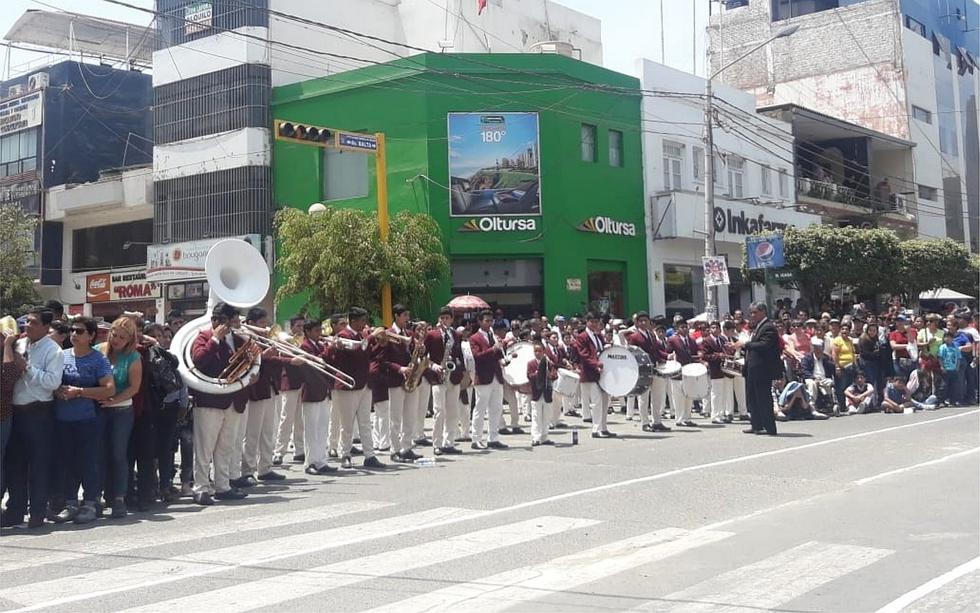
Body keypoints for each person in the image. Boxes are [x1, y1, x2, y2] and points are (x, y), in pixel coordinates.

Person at [3, 308, 64, 529]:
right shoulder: (19, 344)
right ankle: (15, 512)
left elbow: (52, 382)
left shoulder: (53, 351)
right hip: (15, 413)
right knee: (15, 465)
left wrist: (27, 368)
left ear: (47, 327)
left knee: (38, 465)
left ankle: (37, 512)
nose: (28, 326)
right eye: (27, 322)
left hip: (39, 412)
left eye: (34, 323)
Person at [51, 317, 115, 524]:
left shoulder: (98, 360)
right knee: (68, 461)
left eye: (79, 331)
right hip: (63, 419)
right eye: (72, 330)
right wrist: (58, 390)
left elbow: (109, 389)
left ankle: (90, 503)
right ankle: (70, 503)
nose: (74, 334)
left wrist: (79, 392)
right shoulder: (61, 356)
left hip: (89, 419)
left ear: (91, 335)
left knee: (90, 461)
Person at [189, 302, 251, 505]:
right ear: (215, 320)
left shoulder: (238, 339)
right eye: (226, 321)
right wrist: (215, 338)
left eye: (232, 322)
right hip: (209, 400)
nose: (230, 326)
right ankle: (200, 488)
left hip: (233, 399)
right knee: (204, 447)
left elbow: (246, 365)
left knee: (226, 446)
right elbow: (199, 360)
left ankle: (223, 485)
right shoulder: (202, 337)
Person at [237, 308, 291, 485]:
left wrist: (283, 357)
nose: (266, 326)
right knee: (252, 434)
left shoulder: (264, 338)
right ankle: (247, 470)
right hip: (255, 391)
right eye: (262, 323)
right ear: (251, 323)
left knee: (268, 431)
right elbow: (246, 361)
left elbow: (272, 362)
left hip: (269, 388)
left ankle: (265, 467)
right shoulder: (244, 337)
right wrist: (264, 356)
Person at [96, 317, 143, 518]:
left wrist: (113, 401)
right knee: (98, 455)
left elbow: (134, 387)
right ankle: (95, 497)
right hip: (99, 409)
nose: (116, 339)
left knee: (117, 454)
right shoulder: (99, 350)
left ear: (130, 340)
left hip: (121, 410)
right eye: (115, 334)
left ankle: (118, 498)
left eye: (122, 337)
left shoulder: (133, 357)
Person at [329, 307, 385, 469]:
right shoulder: (344, 336)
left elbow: (368, 354)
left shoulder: (361, 335)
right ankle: (345, 454)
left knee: (365, 422)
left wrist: (380, 344)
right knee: (347, 424)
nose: (365, 324)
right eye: (362, 320)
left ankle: (370, 455)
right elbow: (356, 351)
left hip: (364, 384)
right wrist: (371, 337)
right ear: (353, 321)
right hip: (348, 385)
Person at [736, 301, 781, 436]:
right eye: (751, 312)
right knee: (752, 398)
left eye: (755, 312)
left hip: (762, 369)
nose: (752, 315)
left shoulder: (768, 327)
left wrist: (746, 344)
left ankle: (769, 427)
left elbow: (764, 345)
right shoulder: (757, 327)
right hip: (752, 368)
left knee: (763, 398)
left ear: (763, 312)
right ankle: (756, 425)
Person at [425, 307, 465, 456]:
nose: (444, 321)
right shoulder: (432, 335)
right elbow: (423, 357)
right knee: (439, 411)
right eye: (442, 318)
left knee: (453, 412)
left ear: (452, 319)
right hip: (438, 377)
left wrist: (460, 370)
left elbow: (459, 354)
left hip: (452, 376)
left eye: (447, 318)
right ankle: (437, 443)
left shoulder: (456, 335)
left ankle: (449, 442)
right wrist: (434, 366)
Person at [298, 319, 336, 475]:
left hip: (323, 391)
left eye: (320, 330)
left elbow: (329, 362)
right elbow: (315, 363)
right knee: (311, 430)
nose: (320, 333)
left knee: (322, 428)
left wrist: (334, 349)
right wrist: (329, 349)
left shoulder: (320, 345)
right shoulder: (304, 346)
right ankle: (310, 463)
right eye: (316, 331)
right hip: (311, 392)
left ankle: (321, 460)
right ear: (307, 332)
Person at [468, 311, 509, 450]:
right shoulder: (474, 338)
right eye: (486, 321)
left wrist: (502, 356)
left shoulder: (492, 336)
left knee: (496, 409)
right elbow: (477, 356)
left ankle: (493, 438)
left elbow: (497, 355)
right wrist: (493, 348)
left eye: (491, 321)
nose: (489, 323)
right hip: (483, 377)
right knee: (480, 409)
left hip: (496, 375)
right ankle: (476, 439)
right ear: (480, 322)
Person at [628, 313, 671, 432]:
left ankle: (657, 421)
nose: (643, 323)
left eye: (645, 320)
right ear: (637, 322)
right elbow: (632, 353)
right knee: (643, 397)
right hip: (642, 369)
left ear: (649, 322)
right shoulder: (634, 337)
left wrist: (668, 356)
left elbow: (657, 351)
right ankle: (645, 422)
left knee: (657, 396)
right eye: (640, 321)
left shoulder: (652, 335)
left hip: (655, 368)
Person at [273, 315, 307, 466]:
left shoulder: (305, 341)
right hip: (289, 383)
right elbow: (281, 358)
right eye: (298, 326)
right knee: (286, 419)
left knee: (301, 419)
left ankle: (300, 450)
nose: (301, 329)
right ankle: (279, 452)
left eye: (302, 326)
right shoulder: (285, 340)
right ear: (292, 327)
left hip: (303, 383)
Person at [577, 312, 615, 438]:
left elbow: (601, 350)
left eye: (596, 321)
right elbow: (584, 355)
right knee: (596, 401)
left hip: (601, 373)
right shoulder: (582, 336)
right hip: (590, 372)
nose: (594, 324)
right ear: (586, 322)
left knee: (605, 400)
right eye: (591, 321)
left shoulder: (598, 335)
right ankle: (596, 429)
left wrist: (607, 347)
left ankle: (603, 427)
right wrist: (596, 363)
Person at [668, 319, 700, 428]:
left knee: (688, 396)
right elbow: (668, 353)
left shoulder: (691, 340)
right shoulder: (673, 340)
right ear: (677, 329)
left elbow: (696, 353)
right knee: (678, 397)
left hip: (690, 371)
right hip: (678, 372)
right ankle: (679, 418)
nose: (685, 329)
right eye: (682, 327)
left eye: (686, 327)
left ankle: (687, 418)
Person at [701, 321, 734, 425]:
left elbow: (728, 351)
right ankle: (715, 415)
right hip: (714, 369)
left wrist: (728, 352)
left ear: (720, 329)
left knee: (723, 393)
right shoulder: (707, 340)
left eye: (716, 328)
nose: (714, 330)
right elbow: (705, 355)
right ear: (710, 329)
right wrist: (717, 356)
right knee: (715, 393)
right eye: (712, 328)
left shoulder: (722, 339)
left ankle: (721, 413)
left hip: (724, 369)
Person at [526, 342, 557, 446]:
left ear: (543, 352)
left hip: (547, 392)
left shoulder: (549, 363)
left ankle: (544, 436)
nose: (537, 353)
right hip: (537, 393)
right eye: (536, 351)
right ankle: (536, 437)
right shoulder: (531, 363)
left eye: (540, 351)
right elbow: (529, 376)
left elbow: (554, 375)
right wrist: (538, 373)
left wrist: (550, 375)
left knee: (546, 416)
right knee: (536, 416)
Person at [801, 339, 837, 414]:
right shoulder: (807, 358)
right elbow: (804, 371)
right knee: (812, 384)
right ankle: (812, 404)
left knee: (830, 382)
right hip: (811, 378)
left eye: (819, 348)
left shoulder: (826, 358)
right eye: (815, 348)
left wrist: (830, 363)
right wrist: (813, 378)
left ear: (822, 349)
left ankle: (829, 403)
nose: (817, 350)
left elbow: (832, 369)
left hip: (823, 378)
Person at [937, 332, 963, 406]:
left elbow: (958, 358)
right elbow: (940, 358)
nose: (948, 339)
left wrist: (957, 367)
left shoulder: (956, 347)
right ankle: (942, 400)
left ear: (952, 339)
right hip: (946, 369)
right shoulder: (943, 347)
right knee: (944, 386)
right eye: (946, 337)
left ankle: (953, 401)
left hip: (954, 369)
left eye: (950, 337)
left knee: (954, 386)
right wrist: (942, 366)